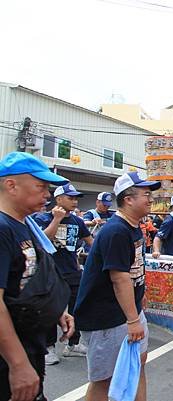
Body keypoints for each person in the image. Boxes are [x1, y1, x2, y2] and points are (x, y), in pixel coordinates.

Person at [74, 171, 160, 401]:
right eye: (146, 194)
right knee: (104, 380)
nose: (151, 199)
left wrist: (140, 295)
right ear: (128, 199)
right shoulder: (116, 231)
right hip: (107, 316)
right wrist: (132, 320)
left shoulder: (132, 227)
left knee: (138, 363)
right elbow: (119, 277)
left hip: (128, 310)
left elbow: (134, 268)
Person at [0, 152, 75, 401]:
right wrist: (18, 364)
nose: (47, 193)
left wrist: (57, 311)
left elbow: (25, 281)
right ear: (11, 185)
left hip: (30, 344)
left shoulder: (24, 224)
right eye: (41, 186)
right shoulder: (2, 229)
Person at [34, 183, 93, 365]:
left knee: (76, 309)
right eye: (71, 198)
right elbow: (41, 242)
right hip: (50, 273)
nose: (75, 202)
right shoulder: (42, 217)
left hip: (72, 271)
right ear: (58, 199)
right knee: (51, 311)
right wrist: (56, 219)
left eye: (76, 198)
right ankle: (48, 348)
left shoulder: (77, 221)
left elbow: (92, 242)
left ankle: (73, 344)